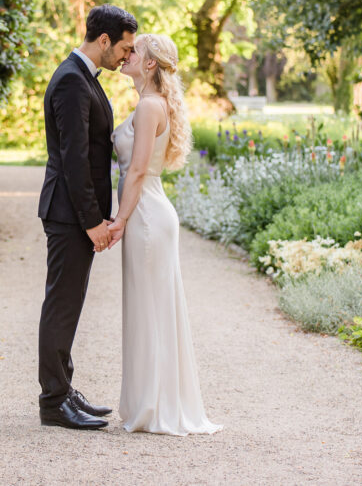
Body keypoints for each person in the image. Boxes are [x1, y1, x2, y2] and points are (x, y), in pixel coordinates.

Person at [107, 33, 221, 436]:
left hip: (147, 216)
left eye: (133, 51)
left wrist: (118, 220)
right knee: (147, 307)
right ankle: (149, 402)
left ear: (150, 63)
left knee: (151, 309)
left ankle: (155, 407)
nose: (125, 55)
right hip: (147, 212)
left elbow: (137, 171)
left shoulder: (150, 106)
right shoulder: (148, 104)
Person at [37, 4, 136, 430]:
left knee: (68, 304)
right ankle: (54, 402)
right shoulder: (72, 82)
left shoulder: (81, 78)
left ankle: (64, 390)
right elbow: (75, 161)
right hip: (68, 214)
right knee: (61, 306)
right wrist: (93, 221)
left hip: (73, 213)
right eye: (124, 48)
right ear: (103, 40)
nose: (125, 57)